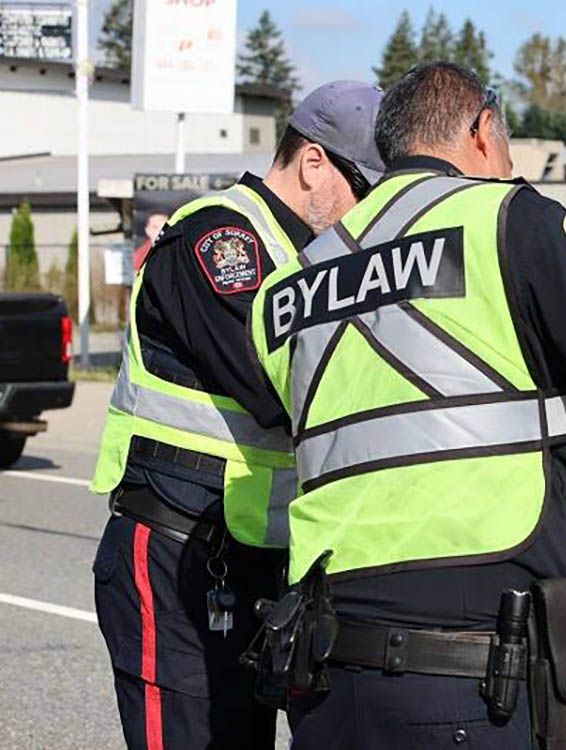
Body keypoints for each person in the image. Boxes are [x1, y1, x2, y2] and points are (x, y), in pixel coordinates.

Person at [250, 62, 566, 749]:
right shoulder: (510, 219)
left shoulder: (292, 285)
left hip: (327, 678)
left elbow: (427, 417)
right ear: (482, 130)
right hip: (472, 682)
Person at [89, 81, 384, 750]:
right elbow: (282, 381)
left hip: (256, 562)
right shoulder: (224, 240)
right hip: (180, 556)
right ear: (314, 163)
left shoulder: (315, 259)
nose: (367, 212)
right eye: (363, 190)